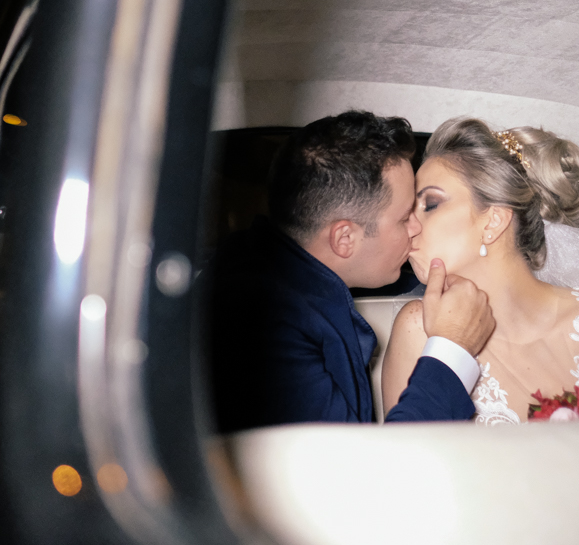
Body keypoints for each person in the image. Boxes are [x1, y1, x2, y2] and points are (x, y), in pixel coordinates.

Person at [210, 111, 495, 432]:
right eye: (404, 219)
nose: (416, 228)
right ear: (345, 239)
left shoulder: (266, 273)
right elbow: (357, 471)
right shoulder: (259, 324)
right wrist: (452, 346)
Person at [382, 118, 579, 424]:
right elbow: (405, 463)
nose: (410, 226)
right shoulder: (417, 331)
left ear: (494, 220)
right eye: (408, 212)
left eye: (430, 204)